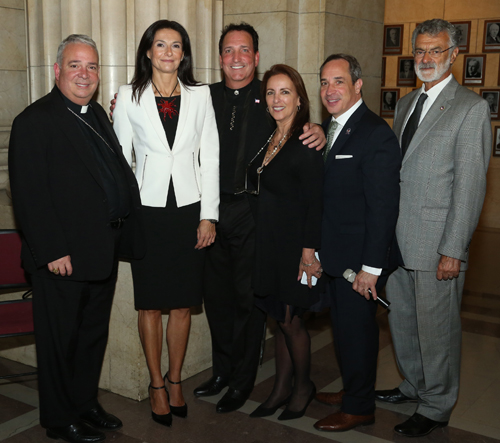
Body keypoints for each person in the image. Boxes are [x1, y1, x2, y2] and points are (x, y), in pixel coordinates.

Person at [8, 34, 145, 443]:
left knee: (90, 338)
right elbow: (28, 195)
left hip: (100, 251)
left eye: (91, 67)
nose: (84, 74)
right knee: (59, 343)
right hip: (61, 259)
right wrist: (52, 250)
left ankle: (84, 403)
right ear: (57, 70)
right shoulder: (35, 120)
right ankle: (57, 417)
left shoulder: (97, 114)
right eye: (75, 65)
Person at [194, 23, 326, 414]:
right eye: (229, 51)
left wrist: (319, 129)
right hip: (212, 212)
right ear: (220, 59)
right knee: (216, 298)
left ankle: (241, 381)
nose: (236, 58)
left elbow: (300, 126)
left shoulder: (271, 96)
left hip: (256, 215)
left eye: (244, 50)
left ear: (255, 57)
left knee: (249, 301)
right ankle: (221, 371)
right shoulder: (203, 96)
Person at [375, 19, 492, 438]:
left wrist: (453, 250)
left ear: (454, 54)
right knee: (403, 323)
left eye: (435, 51)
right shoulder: (406, 104)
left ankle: (438, 404)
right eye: (420, 51)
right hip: (399, 240)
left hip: (436, 242)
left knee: (437, 329)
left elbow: (470, 185)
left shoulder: (470, 108)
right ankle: (414, 385)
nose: (426, 59)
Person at [112, 20, 219, 426]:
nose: (168, 52)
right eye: (161, 44)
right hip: (147, 210)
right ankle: (156, 383)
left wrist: (209, 215)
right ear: (148, 51)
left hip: (190, 210)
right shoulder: (128, 96)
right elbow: (121, 160)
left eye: (176, 45)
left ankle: (176, 379)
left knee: (182, 302)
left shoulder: (200, 95)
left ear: (184, 53)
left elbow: (209, 157)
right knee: (151, 301)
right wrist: (122, 215)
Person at [312, 53, 401, 433]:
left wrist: (371, 269)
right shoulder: (331, 129)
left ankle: (360, 406)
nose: (330, 90)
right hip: (335, 256)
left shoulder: (374, 133)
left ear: (358, 85)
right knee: (345, 332)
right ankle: (353, 389)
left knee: (359, 333)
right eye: (325, 82)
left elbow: (382, 208)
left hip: (359, 263)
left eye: (339, 82)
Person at [247, 64, 323, 421]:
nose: (278, 100)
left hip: (295, 248)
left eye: (286, 92)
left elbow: (315, 202)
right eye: (272, 93)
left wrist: (308, 254)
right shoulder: (269, 137)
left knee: (292, 321)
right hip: (270, 244)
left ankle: (303, 386)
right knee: (279, 318)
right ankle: (280, 388)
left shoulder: (304, 142)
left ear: (299, 99)